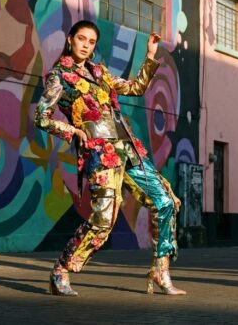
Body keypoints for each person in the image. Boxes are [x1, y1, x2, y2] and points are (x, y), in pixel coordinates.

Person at [34, 20, 186, 296]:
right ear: (70, 39)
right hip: (100, 154)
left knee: (165, 201)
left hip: (129, 149)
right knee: (103, 221)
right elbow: (42, 117)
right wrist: (73, 131)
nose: (86, 45)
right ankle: (61, 270)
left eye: (91, 42)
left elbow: (135, 88)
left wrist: (149, 55)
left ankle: (160, 270)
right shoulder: (60, 76)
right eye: (81, 39)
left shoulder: (100, 72)